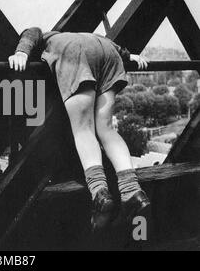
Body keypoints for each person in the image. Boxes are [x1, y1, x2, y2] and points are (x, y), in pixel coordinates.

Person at [9, 27, 151, 231]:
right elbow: (116, 47)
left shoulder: (49, 38)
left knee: (83, 129)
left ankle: (100, 193)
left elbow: (32, 31)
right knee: (107, 129)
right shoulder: (84, 34)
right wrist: (131, 56)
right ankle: (132, 191)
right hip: (106, 51)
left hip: (75, 55)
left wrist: (22, 52)